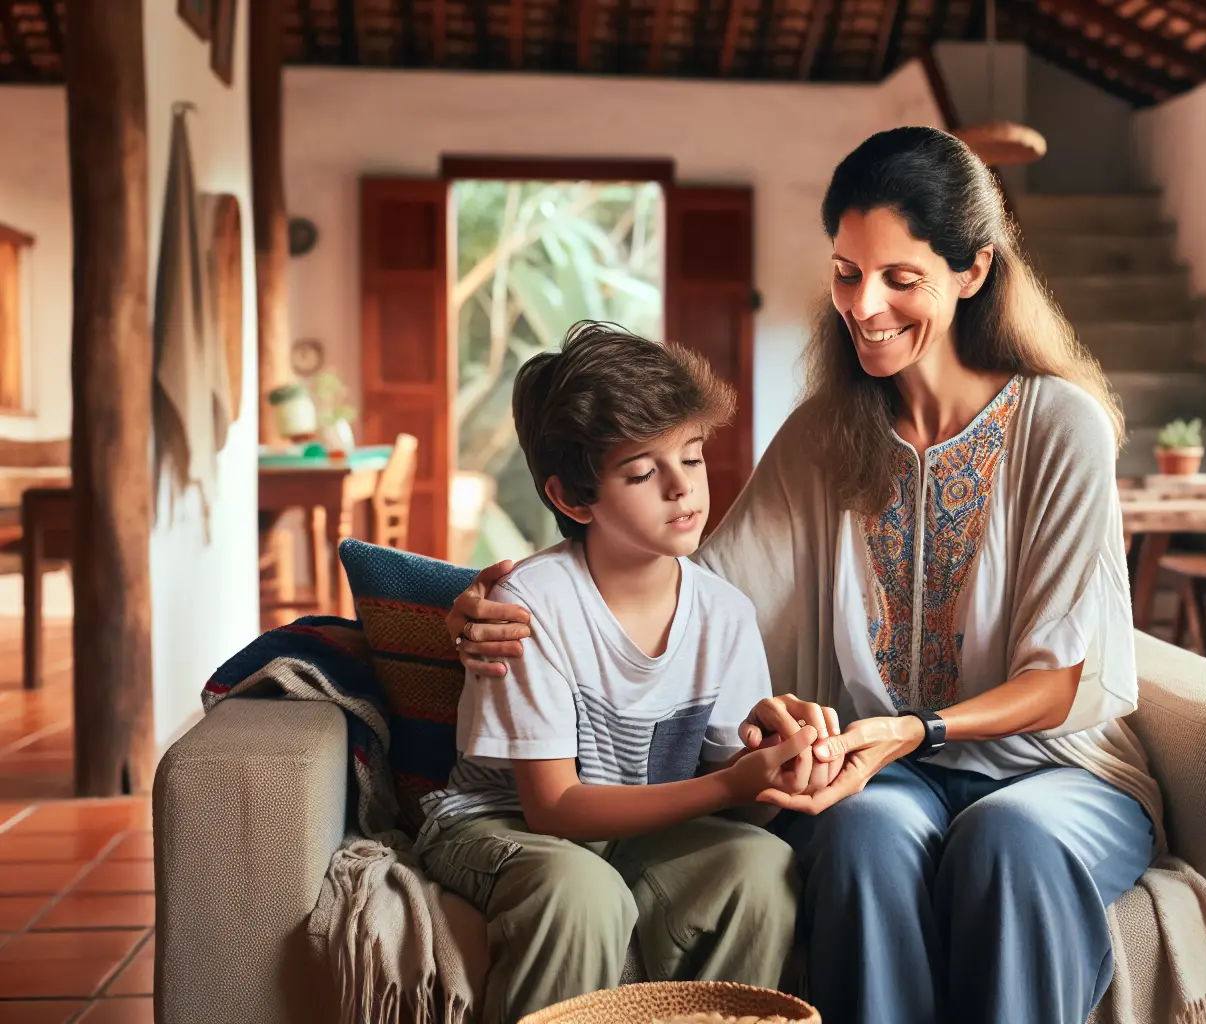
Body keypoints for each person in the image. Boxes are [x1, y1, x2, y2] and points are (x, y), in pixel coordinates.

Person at [448, 126, 1163, 1024]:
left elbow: (1057, 682)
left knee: (1007, 840)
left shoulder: (1063, 426)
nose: (864, 306)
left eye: (902, 279)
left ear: (973, 271)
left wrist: (912, 729)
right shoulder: (824, 435)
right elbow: (683, 584)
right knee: (860, 829)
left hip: (1051, 769)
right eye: (845, 272)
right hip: (884, 775)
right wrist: (480, 602)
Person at [415, 323, 818, 1024]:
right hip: (503, 826)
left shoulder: (724, 614)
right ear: (573, 500)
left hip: (630, 836)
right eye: (641, 473)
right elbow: (553, 809)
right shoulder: (528, 608)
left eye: (691, 458)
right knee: (585, 891)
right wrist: (730, 781)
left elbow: (737, 793)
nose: (681, 488)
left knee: (760, 865)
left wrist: (776, 762)